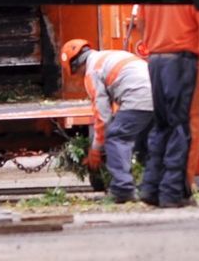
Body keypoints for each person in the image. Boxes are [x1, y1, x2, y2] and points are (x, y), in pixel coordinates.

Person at [130, 2, 199, 207]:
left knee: (162, 125)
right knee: (181, 126)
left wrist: (155, 45)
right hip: (181, 61)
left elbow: (141, 24)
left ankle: (151, 187)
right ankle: (173, 192)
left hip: (156, 60)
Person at [62, 39, 149, 203]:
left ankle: (123, 189)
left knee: (115, 138)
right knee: (144, 144)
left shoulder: (92, 72)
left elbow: (103, 117)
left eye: (77, 74)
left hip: (138, 97)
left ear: (76, 65)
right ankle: (152, 188)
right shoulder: (107, 57)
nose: (80, 77)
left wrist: (96, 149)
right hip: (158, 96)